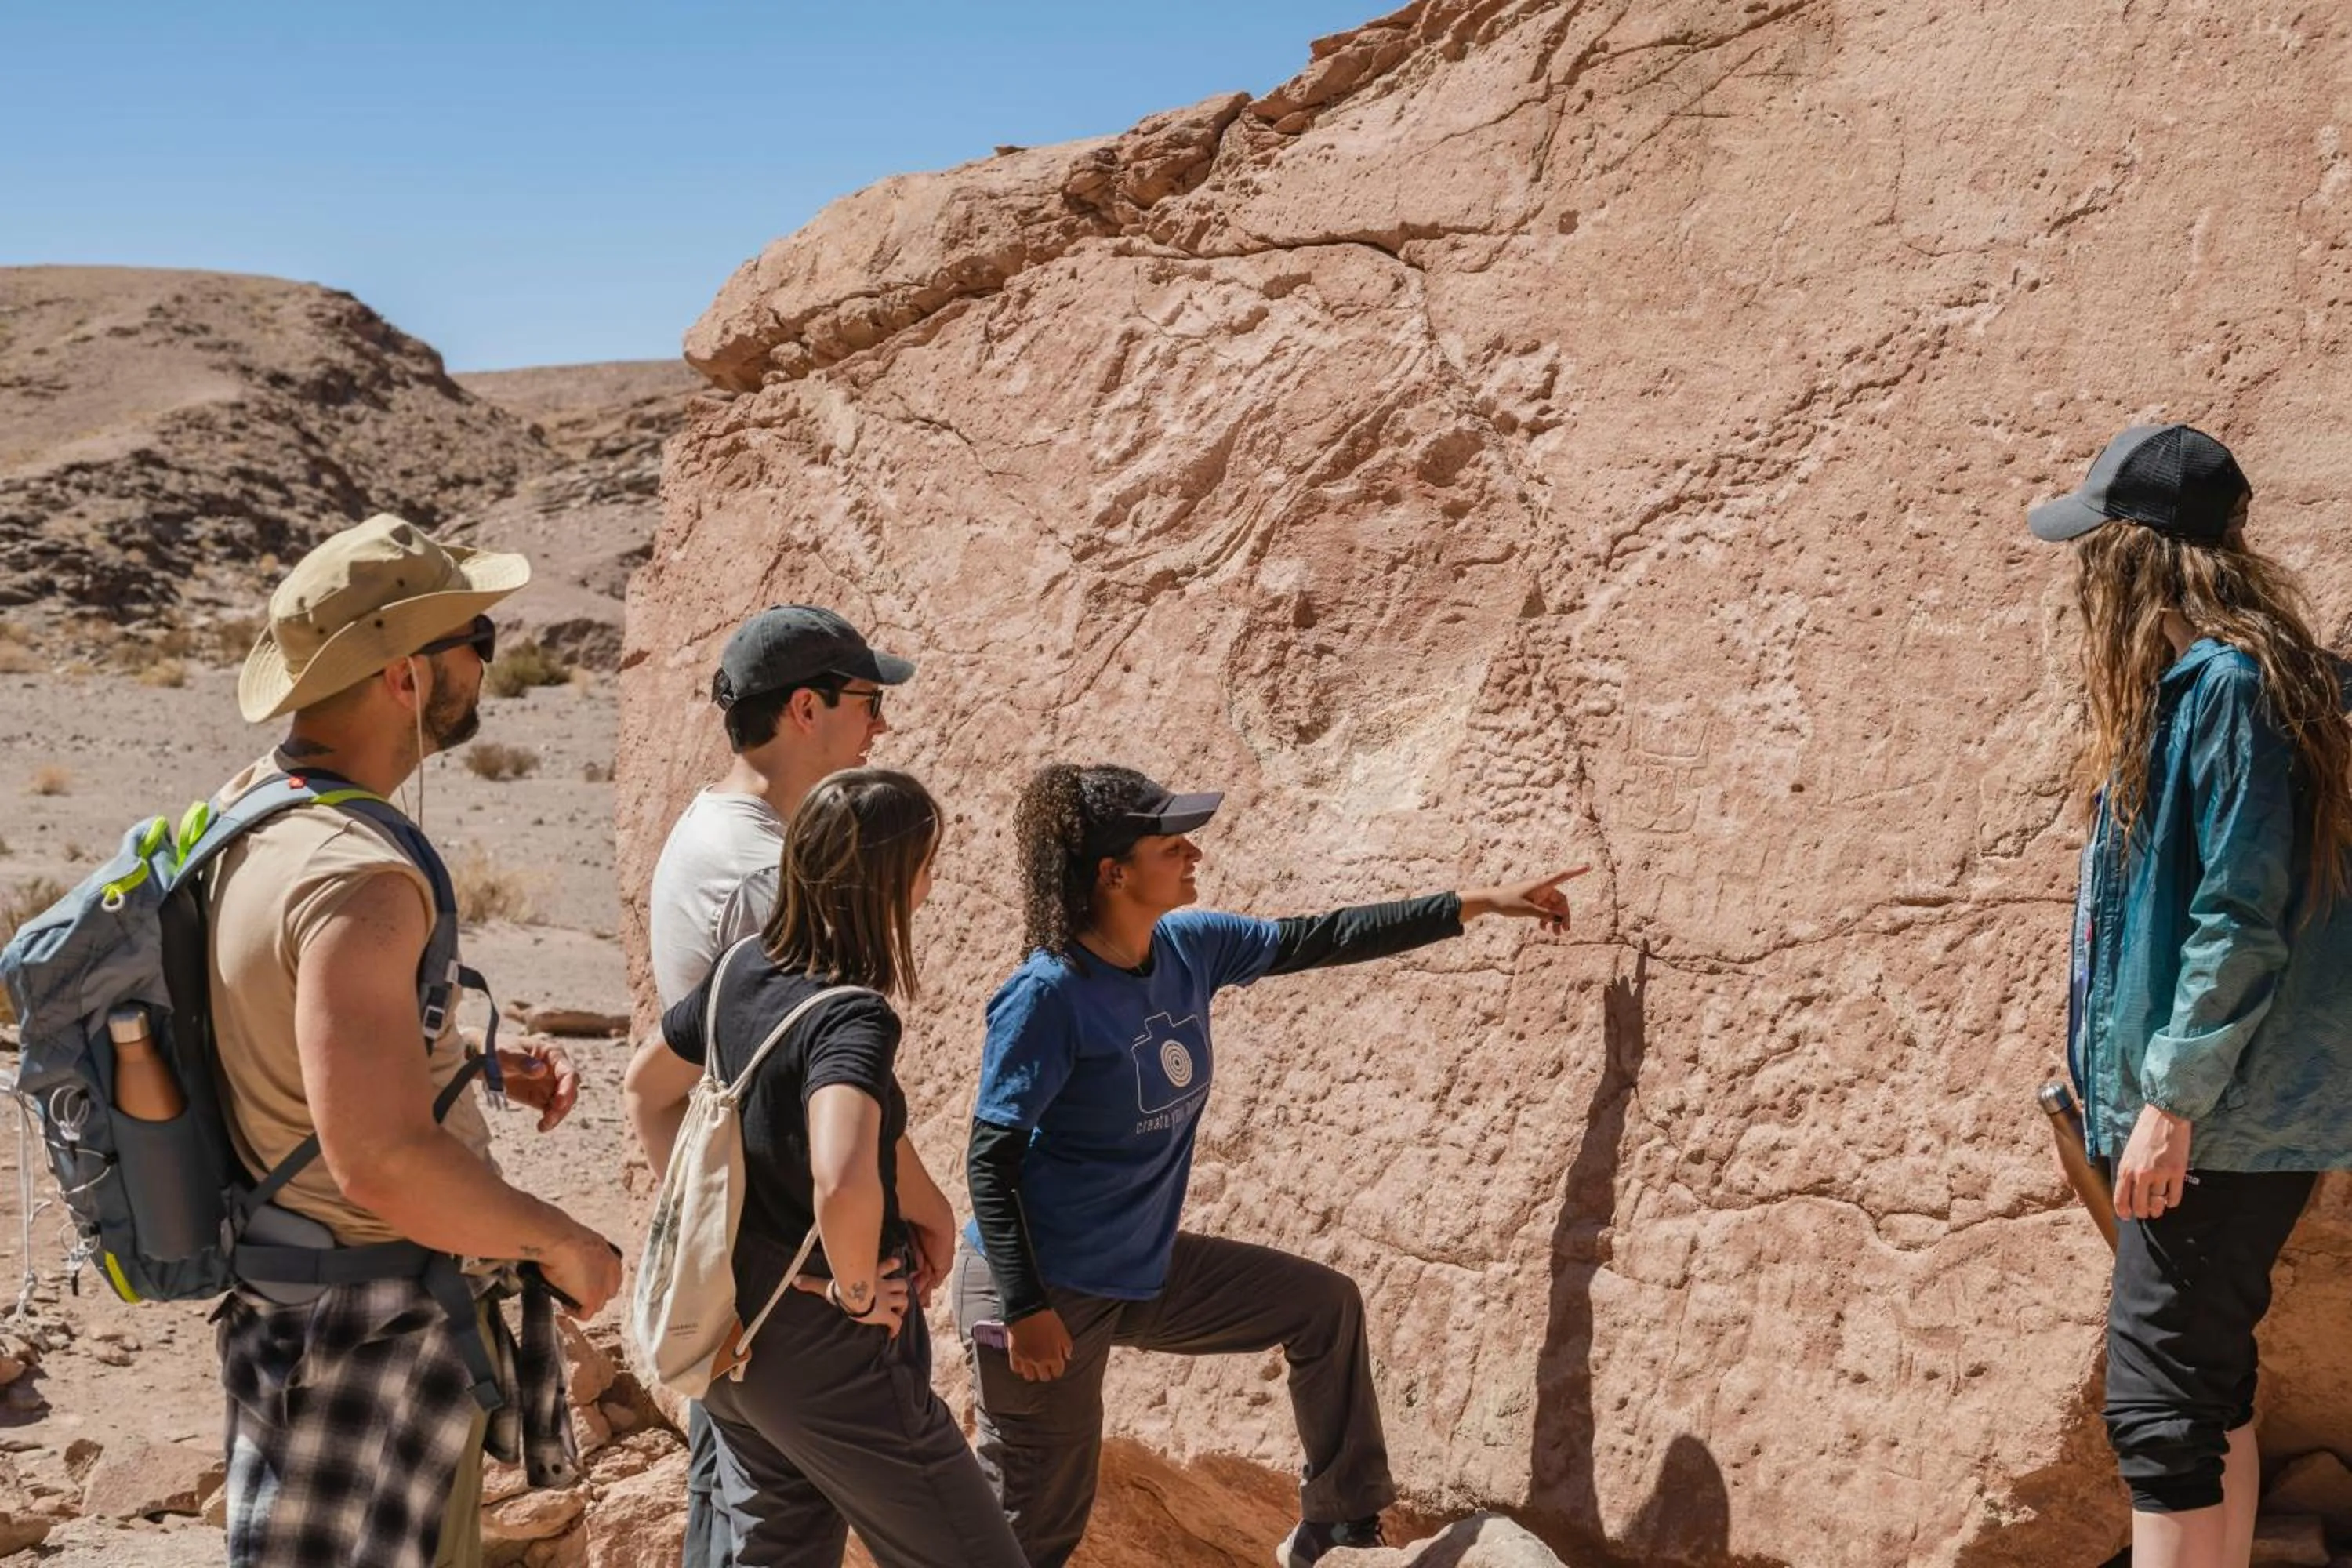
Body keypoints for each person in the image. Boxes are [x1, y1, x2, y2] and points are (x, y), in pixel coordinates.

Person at [953, 763, 1584, 1568]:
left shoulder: (1189, 947)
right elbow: (990, 1159)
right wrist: (1024, 1304)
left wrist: (1482, 901)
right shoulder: (1049, 994)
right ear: (1113, 873)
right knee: (1032, 1527)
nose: (1194, 854)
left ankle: (1341, 1529)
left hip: (1136, 1270)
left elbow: (1328, 936)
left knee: (1322, 1306)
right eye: (1171, 845)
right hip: (1042, 1290)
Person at [214, 515, 622, 1568]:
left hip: (288, 1311)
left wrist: (467, 1064)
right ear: (404, 676)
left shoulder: (249, 816)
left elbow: (276, 1031)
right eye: (475, 639)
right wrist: (563, 1242)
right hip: (370, 1332)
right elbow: (382, 1159)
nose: (486, 663)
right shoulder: (357, 875)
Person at [2032, 423, 2352, 1568]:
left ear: (2142, 555)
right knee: (2205, 1389)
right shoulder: (2239, 680)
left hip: (2216, 1119)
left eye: (2098, 546)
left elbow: (2239, 915)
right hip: (2230, 1113)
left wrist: (2169, 1102)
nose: (2085, 573)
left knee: (2159, 1408)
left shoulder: (2227, 687)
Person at [627, 770, 1028, 1568]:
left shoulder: (743, 968)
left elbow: (647, 1088)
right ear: (888, 880)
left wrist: (719, 1230)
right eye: (925, 866)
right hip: (828, 1353)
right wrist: (854, 1288)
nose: (929, 887)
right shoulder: (851, 1013)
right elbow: (840, 1175)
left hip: (734, 1338)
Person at [626, 604, 909, 1568]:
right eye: (867, 700)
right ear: (805, 708)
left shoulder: (717, 829)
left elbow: (666, 1090)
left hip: (753, 1274)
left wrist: (715, 1249)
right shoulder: (766, 880)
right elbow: (815, 1083)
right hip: (790, 1285)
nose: (880, 725)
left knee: (736, 1523)